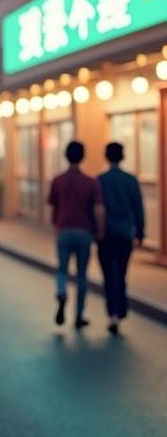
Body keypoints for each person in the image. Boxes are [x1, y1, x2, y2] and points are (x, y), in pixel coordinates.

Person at [47, 141, 104, 330]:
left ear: (66, 155)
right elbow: (98, 210)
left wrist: (55, 226)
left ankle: (62, 292)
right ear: (82, 156)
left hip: (63, 230)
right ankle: (79, 315)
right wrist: (100, 230)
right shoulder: (91, 182)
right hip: (84, 232)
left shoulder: (58, 180)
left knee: (62, 269)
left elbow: (53, 208)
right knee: (81, 275)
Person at [97, 142, 145, 335]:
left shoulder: (100, 180)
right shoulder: (131, 180)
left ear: (107, 156)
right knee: (122, 273)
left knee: (109, 274)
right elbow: (138, 208)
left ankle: (112, 314)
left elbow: (96, 209)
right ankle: (122, 308)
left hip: (106, 234)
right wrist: (140, 231)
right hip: (125, 233)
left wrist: (95, 231)